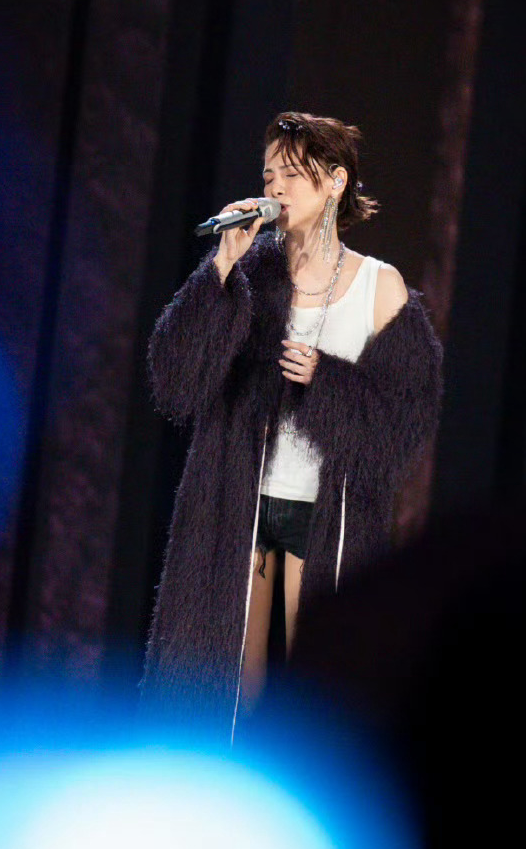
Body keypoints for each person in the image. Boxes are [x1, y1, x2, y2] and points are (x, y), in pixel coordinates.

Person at [138, 111, 443, 742]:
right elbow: (174, 381)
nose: (274, 188)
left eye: (292, 175)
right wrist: (219, 270)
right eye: (268, 175)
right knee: (224, 691)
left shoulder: (379, 286)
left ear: (335, 182)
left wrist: (323, 382)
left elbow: (405, 422)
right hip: (237, 508)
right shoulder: (248, 273)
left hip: (323, 517)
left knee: (303, 695)